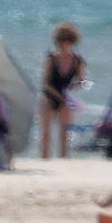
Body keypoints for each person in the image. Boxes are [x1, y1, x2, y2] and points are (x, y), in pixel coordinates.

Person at [39, 23, 86, 160]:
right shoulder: (51, 58)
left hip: (66, 98)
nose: (65, 43)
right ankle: (44, 159)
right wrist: (58, 95)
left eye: (68, 39)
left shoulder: (78, 61)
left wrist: (74, 88)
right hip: (49, 96)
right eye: (62, 40)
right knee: (46, 132)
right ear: (58, 41)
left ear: (73, 41)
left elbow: (81, 80)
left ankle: (63, 160)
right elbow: (45, 83)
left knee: (65, 132)